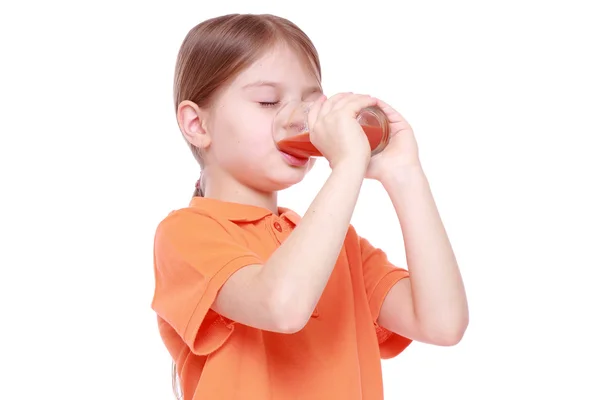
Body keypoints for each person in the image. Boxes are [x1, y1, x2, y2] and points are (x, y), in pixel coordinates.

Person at [151, 13, 468, 400]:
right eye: (268, 101)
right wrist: (347, 164)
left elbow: (442, 323)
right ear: (197, 125)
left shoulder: (337, 245)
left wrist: (406, 176)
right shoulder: (187, 234)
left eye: (311, 102)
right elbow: (282, 306)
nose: (295, 119)